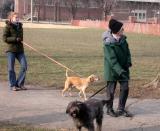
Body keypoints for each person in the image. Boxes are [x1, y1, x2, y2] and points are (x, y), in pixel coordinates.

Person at [102, 19, 132, 117]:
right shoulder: (108, 43)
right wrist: (119, 71)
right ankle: (109, 109)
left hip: (123, 69)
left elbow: (128, 53)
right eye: (121, 28)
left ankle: (121, 109)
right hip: (112, 71)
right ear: (117, 31)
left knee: (125, 88)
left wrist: (128, 62)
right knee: (110, 92)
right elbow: (112, 60)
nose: (123, 29)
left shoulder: (123, 39)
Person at [3, 12, 27, 91]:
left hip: (20, 50)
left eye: (18, 17)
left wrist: (19, 39)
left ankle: (19, 84)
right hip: (11, 50)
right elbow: (4, 38)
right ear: (11, 18)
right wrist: (15, 39)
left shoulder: (20, 26)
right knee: (11, 68)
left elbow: (21, 38)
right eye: (15, 17)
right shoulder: (8, 26)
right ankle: (13, 85)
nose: (17, 19)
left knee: (24, 66)